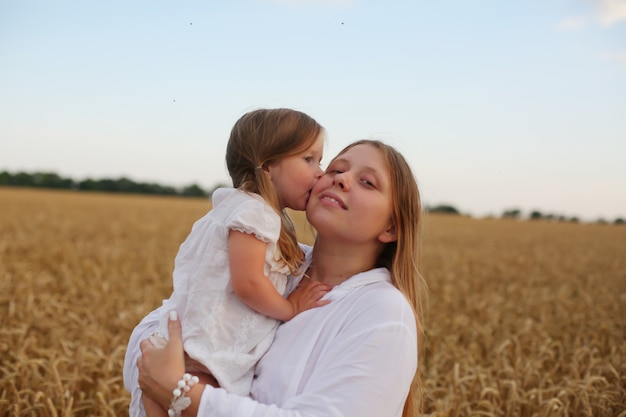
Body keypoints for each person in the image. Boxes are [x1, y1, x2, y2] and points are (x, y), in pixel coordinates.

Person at [125, 139, 428, 417]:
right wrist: (169, 373)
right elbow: (158, 332)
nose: (341, 179)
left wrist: (184, 395)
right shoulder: (270, 261)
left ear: (391, 228)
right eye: (335, 168)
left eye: (367, 182)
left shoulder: (383, 311)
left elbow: (161, 369)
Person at [125, 108, 333, 417]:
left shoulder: (245, 209)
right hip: (210, 347)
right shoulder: (255, 213)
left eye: (320, 160)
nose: (320, 172)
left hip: (194, 343)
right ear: (268, 166)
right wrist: (291, 308)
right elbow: (248, 283)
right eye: (308, 159)